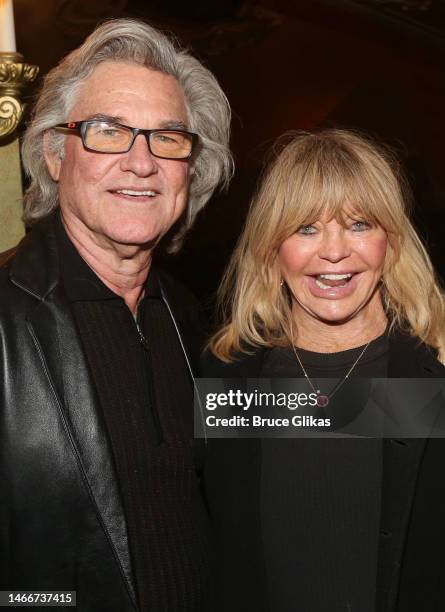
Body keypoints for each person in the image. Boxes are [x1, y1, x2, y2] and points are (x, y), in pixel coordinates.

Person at [0, 18, 232, 612]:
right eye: (108, 131)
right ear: (55, 154)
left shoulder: (194, 321)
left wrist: (422, 391)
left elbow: (294, 419)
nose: (142, 162)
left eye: (168, 137)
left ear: (190, 170)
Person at [203, 129, 445, 612]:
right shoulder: (226, 379)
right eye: (306, 228)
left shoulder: (433, 373)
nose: (334, 252)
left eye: (359, 224)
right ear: (272, 247)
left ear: (391, 242)